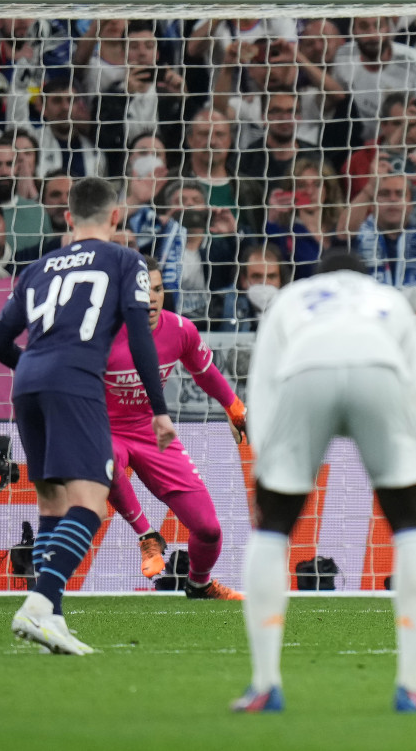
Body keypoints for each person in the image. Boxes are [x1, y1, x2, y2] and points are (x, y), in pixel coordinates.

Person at [234, 249, 416, 713]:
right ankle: (411, 686)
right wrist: (414, 457)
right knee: (411, 526)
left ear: (319, 277)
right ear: (364, 277)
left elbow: (263, 376)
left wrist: (263, 455)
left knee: (272, 530)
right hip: (381, 370)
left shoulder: (292, 297)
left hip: (305, 372)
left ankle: (264, 684)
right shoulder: (388, 298)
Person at [0, 177, 175, 655]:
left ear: (68, 219)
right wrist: (160, 409)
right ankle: (40, 602)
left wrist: (35, 368)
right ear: (116, 217)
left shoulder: (37, 268)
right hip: (75, 383)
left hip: (26, 383)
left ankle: (54, 619)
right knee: (91, 501)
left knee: (52, 502)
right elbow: (138, 337)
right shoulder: (125, 259)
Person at [103, 256, 247, 599]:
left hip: (152, 432)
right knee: (102, 455)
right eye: (142, 290)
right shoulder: (101, 334)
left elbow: (205, 372)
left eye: (157, 289)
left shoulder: (180, 330)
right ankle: (146, 536)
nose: (150, 298)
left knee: (208, 529)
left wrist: (234, 406)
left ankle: (200, 584)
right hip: (104, 430)